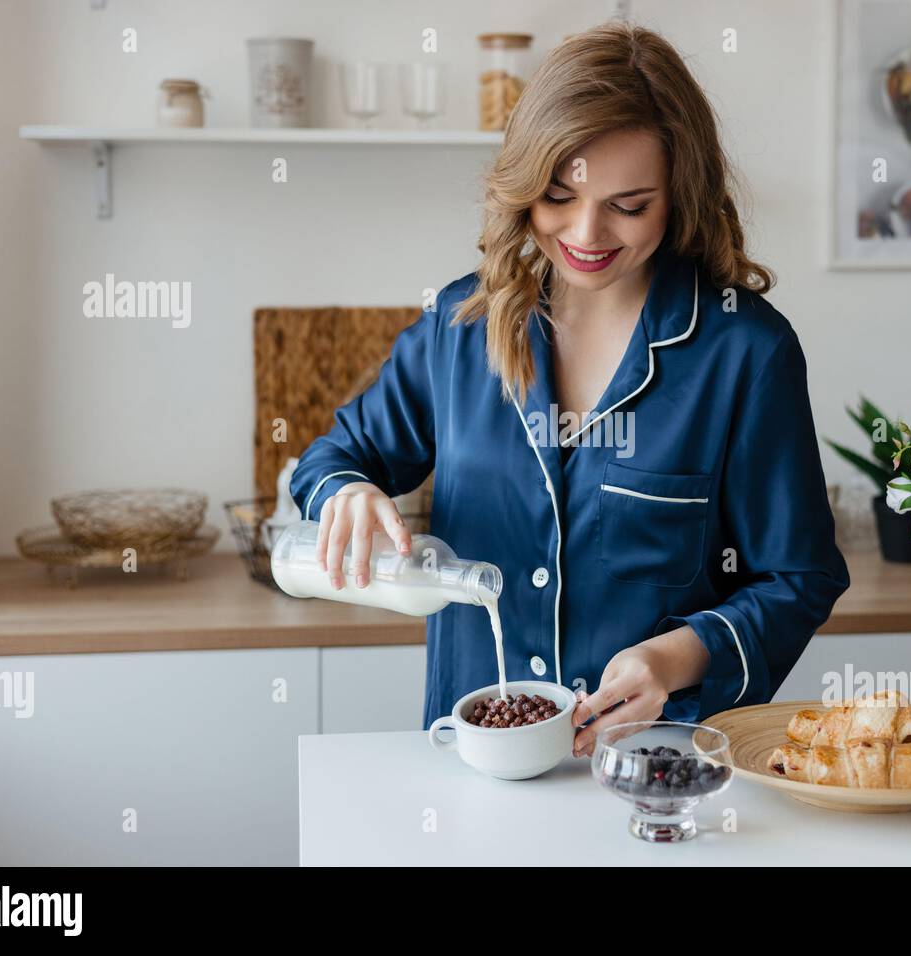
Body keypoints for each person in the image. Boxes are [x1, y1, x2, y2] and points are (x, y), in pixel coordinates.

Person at [291, 22, 850, 756]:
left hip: (655, 770)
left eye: (629, 205)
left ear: (679, 195)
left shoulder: (745, 351)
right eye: (559, 194)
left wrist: (673, 658)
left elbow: (798, 578)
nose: (587, 232)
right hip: (472, 766)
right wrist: (348, 492)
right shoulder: (462, 327)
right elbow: (337, 455)